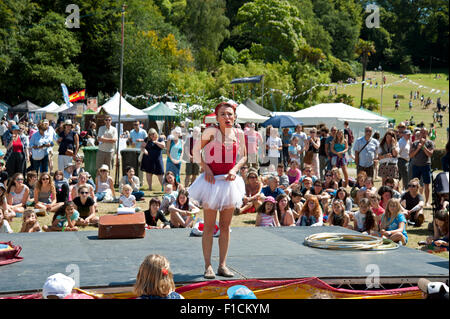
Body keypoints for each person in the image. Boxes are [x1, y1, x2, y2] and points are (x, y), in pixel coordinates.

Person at [188, 101, 247, 279]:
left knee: (225, 226)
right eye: (223, 114)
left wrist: (235, 170)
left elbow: (244, 156)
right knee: (208, 226)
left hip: (229, 182)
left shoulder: (239, 133)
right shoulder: (210, 132)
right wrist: (205, 167)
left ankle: (222, 265)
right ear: (217, 117)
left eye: (230, 114)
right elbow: (195, 151)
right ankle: (208, 266)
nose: (227, 117)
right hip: (211, 182)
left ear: (235, 116)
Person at [409, 128, 434, 206]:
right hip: (416, 166)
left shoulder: (430, 143)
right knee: (414, 184)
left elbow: (430, 154)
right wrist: (418, 148)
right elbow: (411, 155)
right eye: (421, 132)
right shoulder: (415, 143)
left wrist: (423, 147)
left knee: (426, 184)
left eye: (424, 132)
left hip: (425, 166)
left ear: (426, 133)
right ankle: (415, 200)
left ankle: (426, 202)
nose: (422, 133)